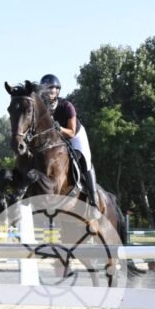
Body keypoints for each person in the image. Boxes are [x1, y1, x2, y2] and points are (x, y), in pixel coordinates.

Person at [39, 73, 99, 211]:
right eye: (46, 88)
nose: (49, 91)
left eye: (52, 88)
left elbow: (71, 132)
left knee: (85, 161)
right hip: (56, 139)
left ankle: (94, 199)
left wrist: (59, 128)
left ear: (57, 90)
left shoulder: (67, 106)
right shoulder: (43, 108)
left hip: (75, 136)